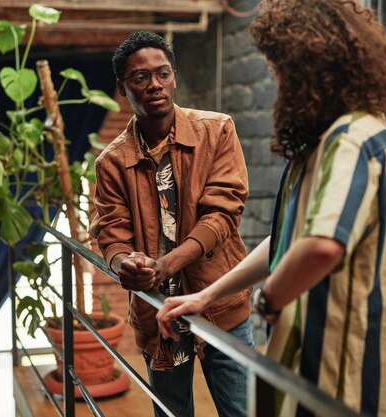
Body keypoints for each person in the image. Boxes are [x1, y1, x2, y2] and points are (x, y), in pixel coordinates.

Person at [156, 1, 386, 416]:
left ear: (310, 69)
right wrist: (206, 295)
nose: (275, 79)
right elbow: (287, 240)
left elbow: (320, 246)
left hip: (342, 370)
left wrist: (267, 301)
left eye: (280, 68)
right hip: (306, 360)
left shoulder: (352, 139)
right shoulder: (323, 145)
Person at [89, 31, 253, 417]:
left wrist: (167, 264)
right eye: (140, 77)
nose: (154, 85)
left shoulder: (217, 131)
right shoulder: (111, 162)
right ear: (122, 86)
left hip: (218, 302)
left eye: (162, 73)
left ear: (174, 77)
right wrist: (123, 265)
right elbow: (111, 235)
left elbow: (224, 212)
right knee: (172, 413)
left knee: (242, 411)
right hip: (157, 315)